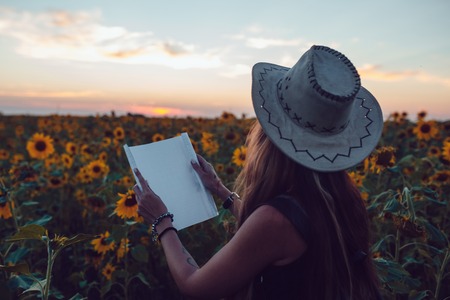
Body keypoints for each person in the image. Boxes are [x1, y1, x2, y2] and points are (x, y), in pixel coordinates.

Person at [133, 45, 384, 299]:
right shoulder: (340, 197)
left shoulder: (275, 220)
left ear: (269, 136)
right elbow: (282, 231)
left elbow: (196, 287)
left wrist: (162, 221)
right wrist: (222, 192)